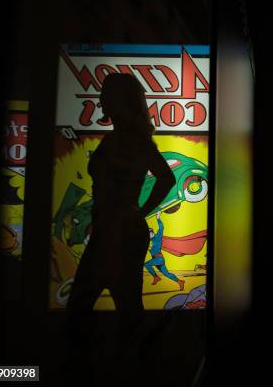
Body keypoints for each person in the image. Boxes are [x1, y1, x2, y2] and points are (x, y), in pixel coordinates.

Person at [66, 73, 175, 375]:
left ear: (116, 101)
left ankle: (114, 369)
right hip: (117, 230)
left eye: (104, 94)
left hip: (117, 232)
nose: (100, 99)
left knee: (94, 307)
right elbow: (165, 178)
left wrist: (136, 210)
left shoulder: (126, 138)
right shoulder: (132, 137)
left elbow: (166, 178)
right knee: (125, 307)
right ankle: (133, 367)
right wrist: (137, 211)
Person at [145, 210, 185, 290]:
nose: (150, 234)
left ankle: (156, 277)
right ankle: (180, 281)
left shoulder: (157, 237)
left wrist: (158, 218)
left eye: (151, 232)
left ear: (152, 233)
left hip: (159, 259)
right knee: (167, 274)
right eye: (148, 233)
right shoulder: (147, 241)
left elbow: (161, 228)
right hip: (155, 259)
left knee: (146, 264)